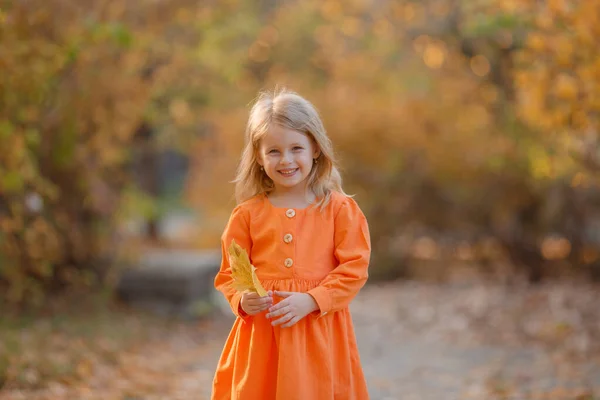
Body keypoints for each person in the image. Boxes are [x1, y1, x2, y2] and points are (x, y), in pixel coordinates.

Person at [211, 88, 371, 400]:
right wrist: (242, 300)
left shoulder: (339, 210)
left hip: (318, 333)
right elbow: (231, 274)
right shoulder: (246, 215)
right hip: (263, 337)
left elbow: (354, 269)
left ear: (315, 148)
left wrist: (312, 300)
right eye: (273, 151)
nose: (286, 160)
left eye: (296, 148)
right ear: (258, 156)